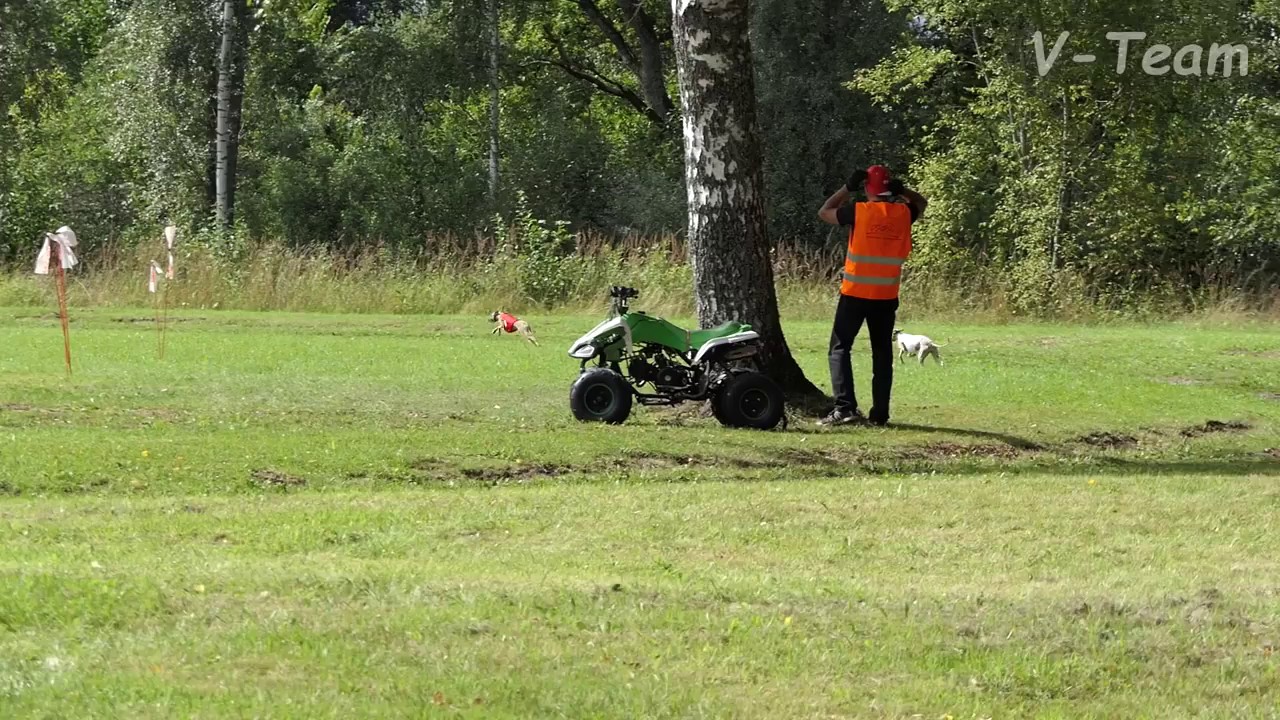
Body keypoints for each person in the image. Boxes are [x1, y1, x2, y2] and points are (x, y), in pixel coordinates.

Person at [816, 165, 927, 426]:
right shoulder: (904, 213)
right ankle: (880, 415)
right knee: (882, 354)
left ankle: (844, 409)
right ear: (891, 189)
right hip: (886, 295)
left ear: (867, 188)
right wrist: (905, 192)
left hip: (854, 293)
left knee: (839, 348)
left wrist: (846, 188)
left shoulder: (859, 211)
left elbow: (824, 212)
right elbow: (921, 203)